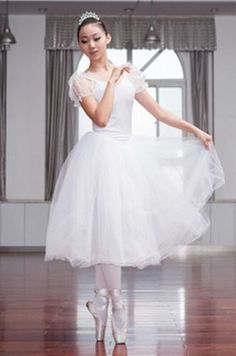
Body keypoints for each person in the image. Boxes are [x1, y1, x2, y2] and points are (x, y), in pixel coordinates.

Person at [45, 11, 225, 345]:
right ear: (80, 45)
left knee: (111, 235)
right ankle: (117, 303)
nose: (91, 45)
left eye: (96, 38)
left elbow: (158, 113)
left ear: (108, 38)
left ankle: (101, 302)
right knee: (105, 234)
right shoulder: (80, 81)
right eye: (84, 41)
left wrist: (195, 129)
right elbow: (100, 119)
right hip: (97, 158)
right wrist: (111, 82)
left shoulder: (131, 75)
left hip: (125, 159)